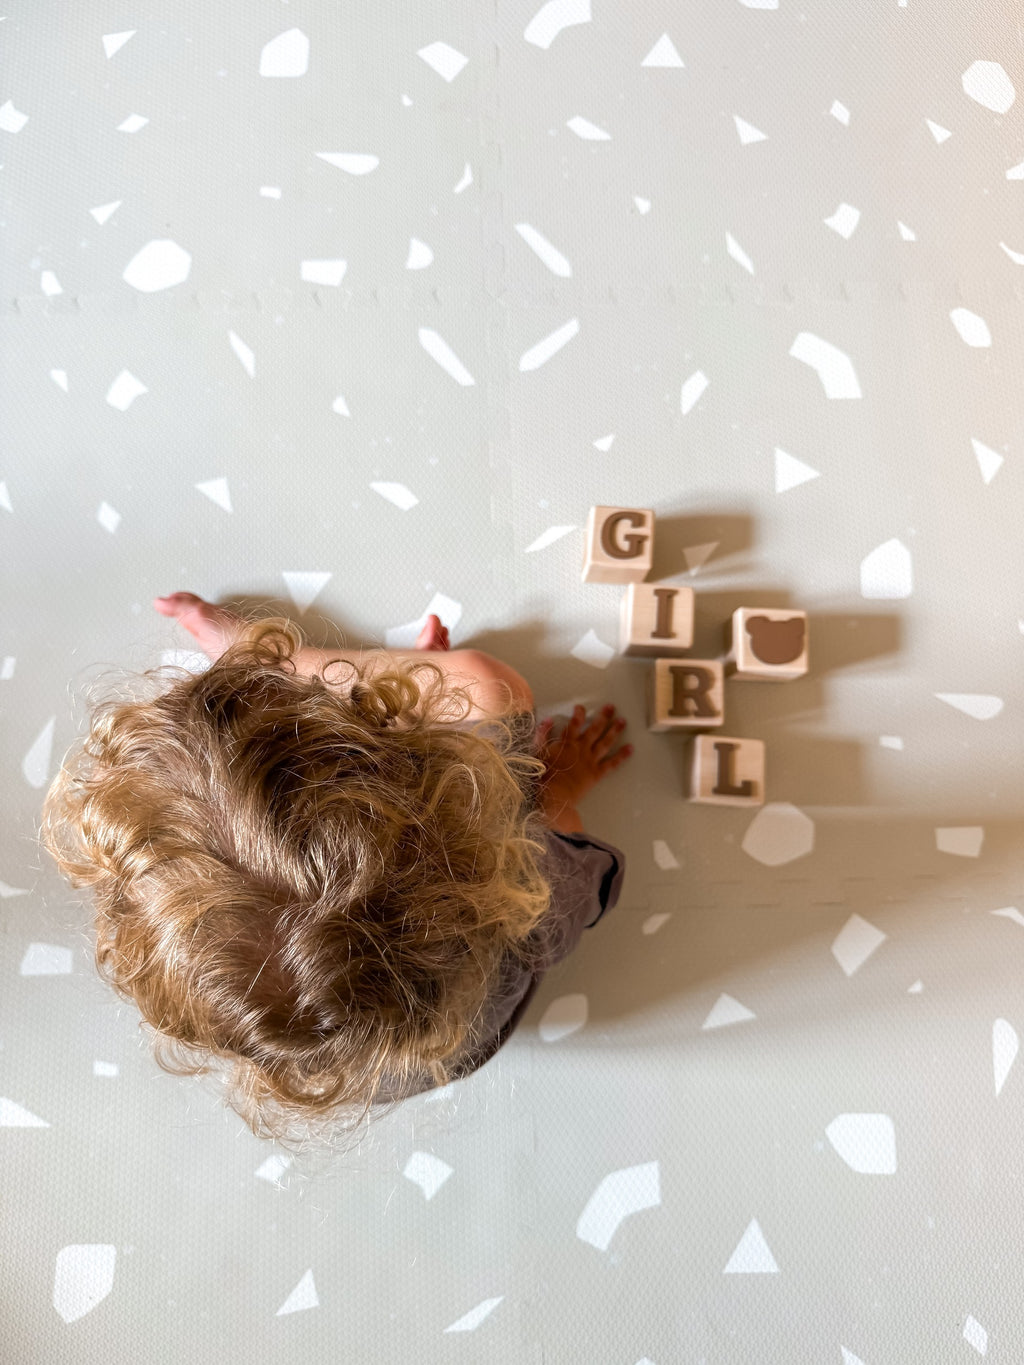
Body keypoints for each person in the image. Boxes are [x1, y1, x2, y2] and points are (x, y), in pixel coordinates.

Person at [39, 593, 632, 1142]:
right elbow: (487, 685)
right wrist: (554, 784)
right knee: (506, 728)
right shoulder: (516, 899)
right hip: (469, 992)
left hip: (394, 1040)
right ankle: (545, 780)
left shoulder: (224, 985)